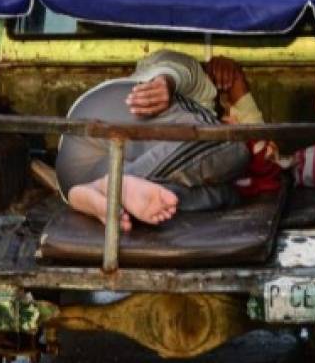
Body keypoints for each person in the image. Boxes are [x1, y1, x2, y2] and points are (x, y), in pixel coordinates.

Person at [56, 50, 267, 232]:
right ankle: (113, 185)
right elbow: (170, 64)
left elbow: (259, 143)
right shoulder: (199, 86)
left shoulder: (199, 165)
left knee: (173, 201)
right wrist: (166, 80)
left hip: (77, 177)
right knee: (234, 145)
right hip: (105, 115)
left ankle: (109, 190)